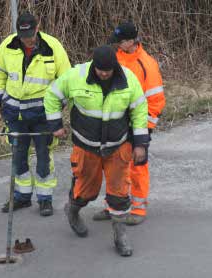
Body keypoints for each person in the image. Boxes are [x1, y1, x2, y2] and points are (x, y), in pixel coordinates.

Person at [44, 45, 149, 256]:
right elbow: (52, 95)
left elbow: (139, 111)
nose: (103, 73)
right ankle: (72, 210)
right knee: (86, 190)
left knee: (119, 192)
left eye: (107, 71)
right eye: (100, 70)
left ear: (114, 68)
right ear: (94, 66)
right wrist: (55, 124)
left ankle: (120, 235)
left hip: (118, 146)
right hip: (86, 145)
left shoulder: (129, 80)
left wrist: (140, 144)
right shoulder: (76, 75)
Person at [0, 12, 71, 216]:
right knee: (19, 155)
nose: (26, 38)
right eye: (22, 34)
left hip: (42, 115)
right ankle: (22, 196)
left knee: (44, 156)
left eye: (30, 34)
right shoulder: (7, 45)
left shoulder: (52, 47)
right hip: (15, 113)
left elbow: (66, 80)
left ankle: (45, 199)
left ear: (38, 27)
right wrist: (0, 97)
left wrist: (56, 108)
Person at [93, 22, 166, 225]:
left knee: (137, 167)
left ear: (131, 41)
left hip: (137, 124)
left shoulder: (147, 64)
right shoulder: (115, 58)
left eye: (120, 42)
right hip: (115, 122)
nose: (117, 45)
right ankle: (114, 206)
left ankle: (138, 209)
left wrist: (145, 129)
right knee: (113, 166)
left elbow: (156, 100)